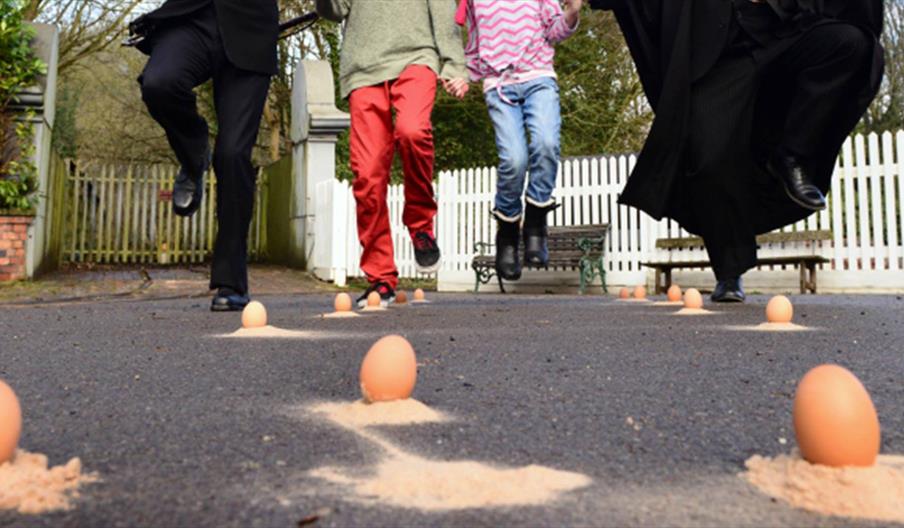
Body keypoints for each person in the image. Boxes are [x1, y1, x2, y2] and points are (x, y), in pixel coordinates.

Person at [589, 0, 884, 302]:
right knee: (707, 159)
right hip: (719, 56)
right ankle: (729, 272)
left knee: (850, 44)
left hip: (782, 36)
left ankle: (792, 156)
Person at [315, 0, 470, 308]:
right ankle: (380, 277)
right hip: (363, 69)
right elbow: (333, 10)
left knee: (412, 130)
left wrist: (454, 64)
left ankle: (420, 224)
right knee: (367, 174)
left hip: (416, 58)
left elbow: (442, 11)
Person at [130, 0, 278, 311]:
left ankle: (231, 281)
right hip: (192, 16)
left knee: (233, 153)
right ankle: (194, 155)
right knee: (160, 84)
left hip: (251, 27)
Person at [457, 0, 582, 282]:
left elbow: (554, 30)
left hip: (539, 77)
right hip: (499, 86)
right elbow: (474, 46)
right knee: (514, 159)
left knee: (546, 144)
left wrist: (571, 14)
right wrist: (463, 75)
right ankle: (509, 230)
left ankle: (536, 221)